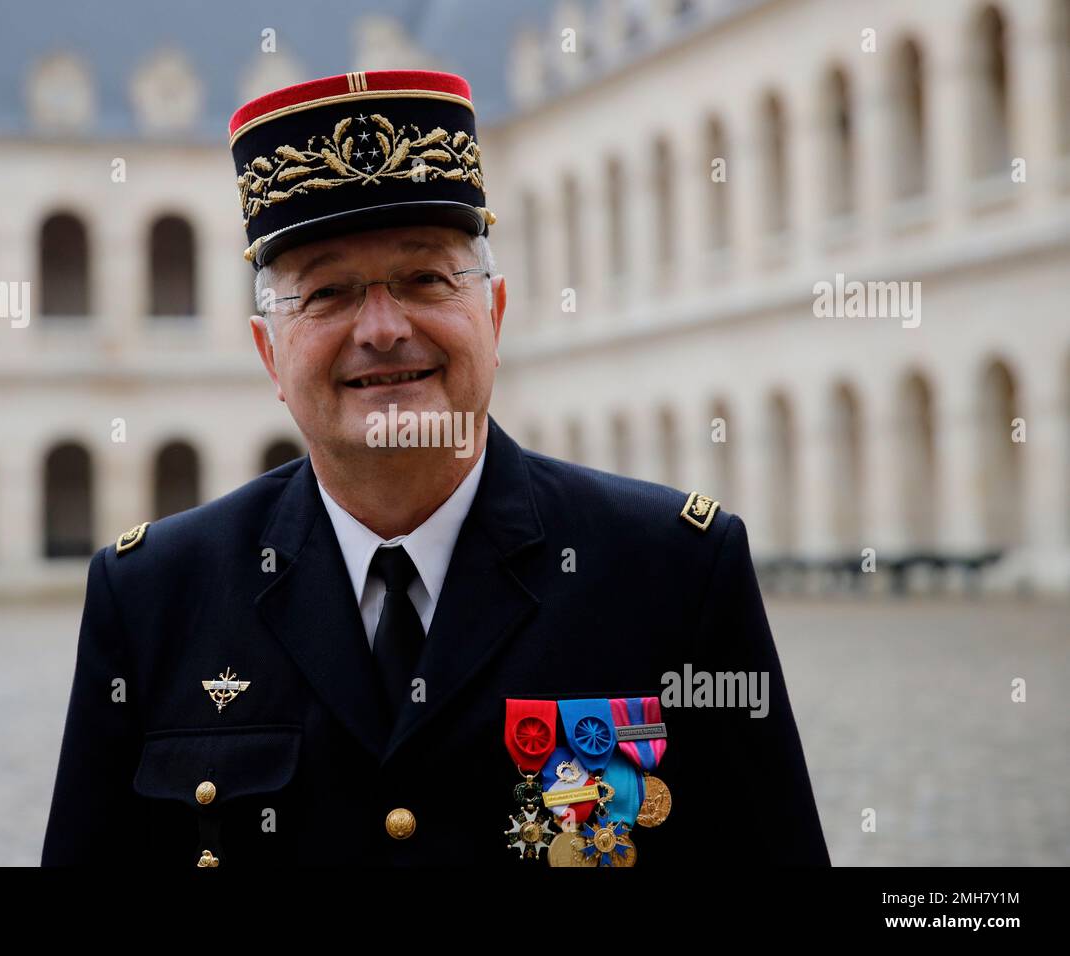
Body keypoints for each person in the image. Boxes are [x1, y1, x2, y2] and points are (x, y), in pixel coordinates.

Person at [41, 69, 829, 867]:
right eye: (327, 294)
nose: (382, 329)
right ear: (268, 353)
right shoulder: (152, 598)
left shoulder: (675, 573)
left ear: (493, 314)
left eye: (425, 279)